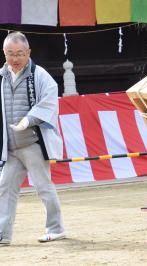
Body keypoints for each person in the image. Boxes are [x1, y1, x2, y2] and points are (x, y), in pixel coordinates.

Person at [0, 32, 65, 246]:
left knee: (43, 186)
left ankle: (55, 229)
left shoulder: (40, 75)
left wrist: (27, 121)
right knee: (4, 187)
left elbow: (48, 101)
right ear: (4, 53)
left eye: (19, 53)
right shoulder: (1, 76)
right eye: (10, 53)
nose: (15, 58)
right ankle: (3, 234)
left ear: (28, 52)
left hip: (32, 143)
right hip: (10, 147)